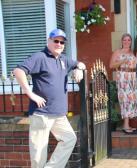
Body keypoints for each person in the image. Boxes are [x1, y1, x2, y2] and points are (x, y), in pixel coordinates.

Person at [13, 29, 86, 168]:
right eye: (56, 41)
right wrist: (30, 93)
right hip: (42, 114)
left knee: (69, 139)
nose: (59, 44)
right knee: (38, 156)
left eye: (62, 42)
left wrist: (79, 69)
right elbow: (18, 71)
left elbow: (80, 63)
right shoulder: (40, 57)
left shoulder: (64, 59)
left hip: (59, 114)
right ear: (49, 41)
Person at [110, 33, 137, 133]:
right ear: (122, 41)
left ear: (131, 42)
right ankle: (125, 126)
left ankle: (127, 124)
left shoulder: (132, 52)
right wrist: (123, 61)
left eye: (129, 40)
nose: (126, 42)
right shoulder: (118, 52)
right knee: (125, 100)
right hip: (123, 77)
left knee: (131, 101)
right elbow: (111, 65)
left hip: (132, 78)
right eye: (125, 40)